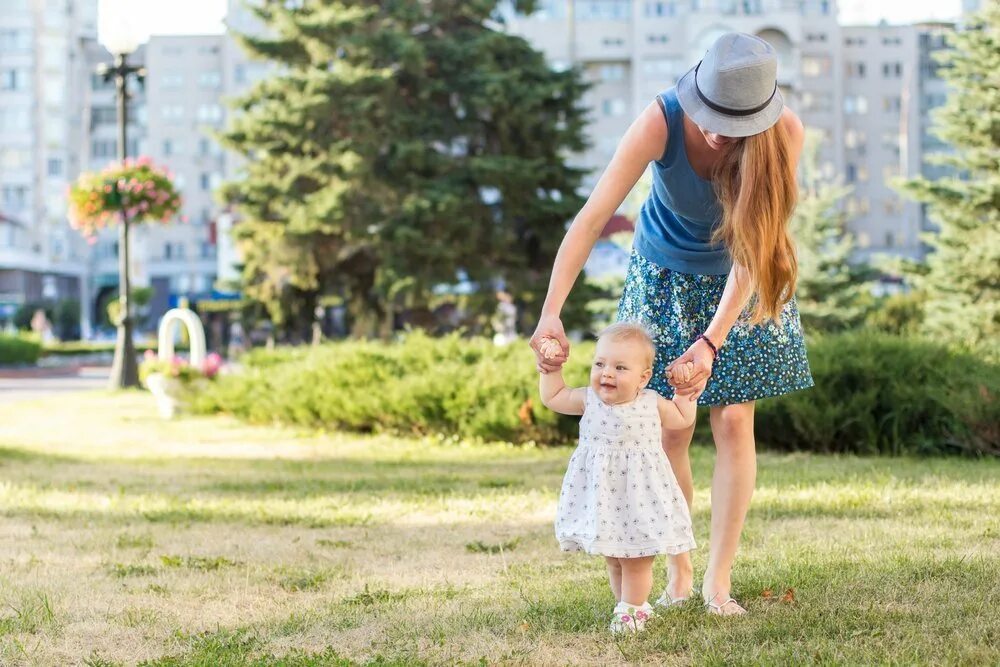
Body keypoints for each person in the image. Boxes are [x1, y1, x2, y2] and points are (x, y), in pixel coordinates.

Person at [529, 32, 814, 616]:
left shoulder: (784, 136)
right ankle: (679, 571)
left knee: (733, 419)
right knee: (668, 430)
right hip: (664, 275)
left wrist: (713, 338)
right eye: (709, 115)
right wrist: (551, 309)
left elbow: (755, 250)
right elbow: (591, 218)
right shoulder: (661, 118)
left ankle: (717, 581)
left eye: (731, 123)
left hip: (742, 280)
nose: (714, 132)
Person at [539, 321, 698, 634]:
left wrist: (684, 391)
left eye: (620, 367)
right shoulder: (588, 400)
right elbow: (554, 396)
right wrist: (550, 368)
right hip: (606, 499)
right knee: (613, 556)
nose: (606, 373)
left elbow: (682, 419)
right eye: (600, 364)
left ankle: (634, 609)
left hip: (641, 498)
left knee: (637, 557)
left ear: (644, 377)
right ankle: (625, 605)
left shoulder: (652, 402)